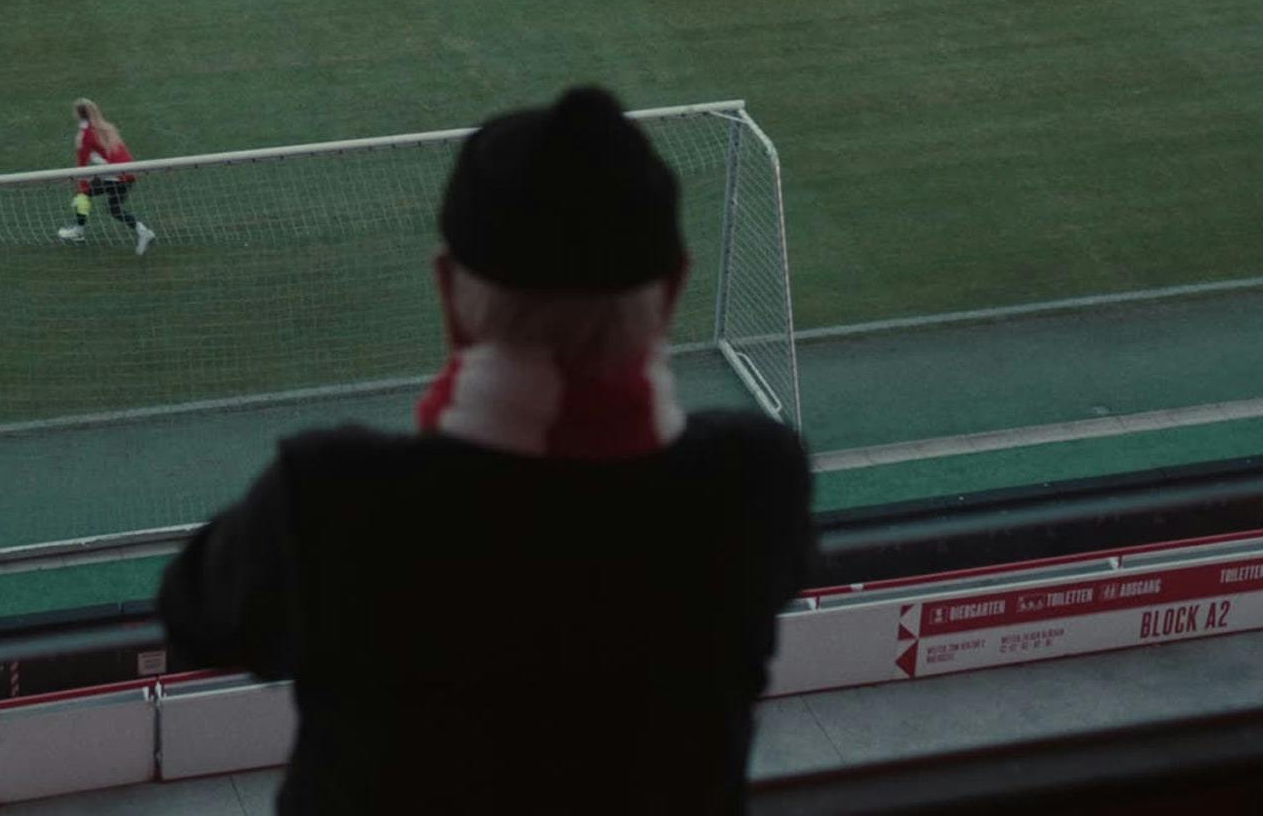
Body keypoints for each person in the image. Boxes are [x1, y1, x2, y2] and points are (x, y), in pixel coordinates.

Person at [158, 86, 812, 815]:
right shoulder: (754, 483)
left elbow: (196, 617)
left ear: (447, 294)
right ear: (674, 290)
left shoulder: (331, 500)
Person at [57, 98, 158, 255]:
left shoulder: (85, 136)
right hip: (128, 173)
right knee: (114, 209)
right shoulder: (106, 128)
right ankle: (143, 231)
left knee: (82, 195)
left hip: (116, 177)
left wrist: (82, 185)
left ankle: (78, 231)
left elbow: (82, 164)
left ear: (78, 115)